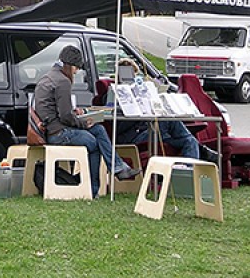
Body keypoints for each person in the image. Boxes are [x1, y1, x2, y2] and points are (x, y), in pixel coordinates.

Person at [34, 45, 141, 198]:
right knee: (93, 143)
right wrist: (83, 123)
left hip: (51, 129)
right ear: (69, 65)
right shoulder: (63, 81)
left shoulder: (49, 77)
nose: (77, 72)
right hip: (58, 133)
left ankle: (118, 167)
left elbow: (59, 111)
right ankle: (92, 190)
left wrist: (75, 114)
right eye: (76, 68)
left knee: (99, 130)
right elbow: (65, 117)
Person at [114, 58, 218, 162]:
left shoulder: (138, 91)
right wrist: (136, 110)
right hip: (133, 136)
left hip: (150, 130)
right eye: (128, 74)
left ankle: (188, 174)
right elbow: (118, 125)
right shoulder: (114, 94)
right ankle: (202, 149)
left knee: (189, 141)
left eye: (134, 75)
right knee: (167, 119)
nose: (132, 78)